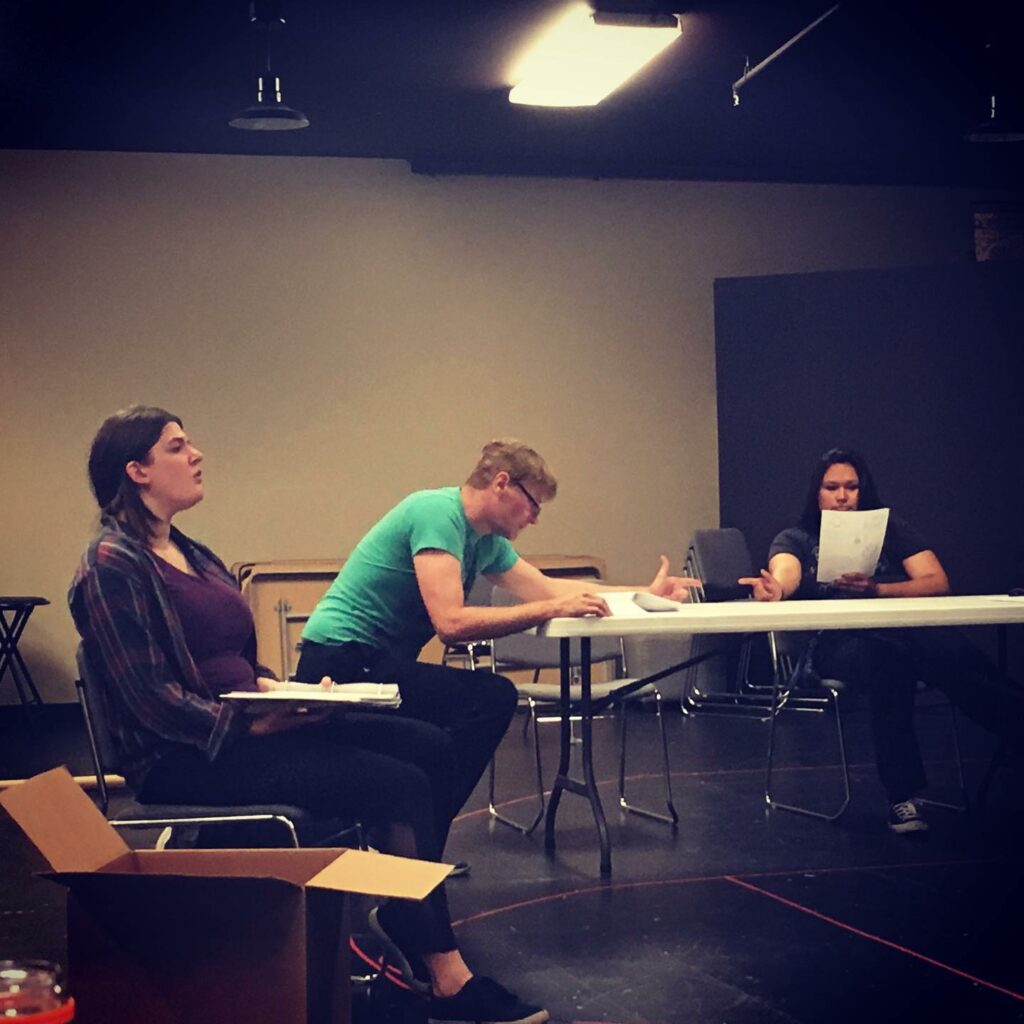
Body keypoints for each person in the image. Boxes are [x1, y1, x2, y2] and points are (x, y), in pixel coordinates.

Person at [68, 406, 549, 1024]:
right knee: (397, 782)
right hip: (187, 756)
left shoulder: (193, 552)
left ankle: (408, 887)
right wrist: (251, 721)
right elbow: (148, 699)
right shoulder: (112, 563)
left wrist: (278, 690)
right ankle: (445, 975)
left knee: (427, 747)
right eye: (176, 446)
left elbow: (231, 661)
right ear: (136, 470)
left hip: (247, 724)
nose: (196, 455)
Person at [294, 438, 696, 820]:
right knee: (489, 700)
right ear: (502, 483)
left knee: (457, 724)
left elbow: (550, 587)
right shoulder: (437, 513)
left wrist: (644, 591)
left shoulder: (485, 541)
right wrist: (548, 610)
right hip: (339, 662)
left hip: (371, 662)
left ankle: (418, 834)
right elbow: (451, 624)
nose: (535, 518)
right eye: (533, 504)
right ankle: (420, 834)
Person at [741, 447, 1024, 834]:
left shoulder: (889, 529)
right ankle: (901, 796)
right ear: (817, 493)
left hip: (904, 633)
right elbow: (785, 572)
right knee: (890, 657)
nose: (843, 496)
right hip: (837, 646)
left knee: (947, 649)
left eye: (852, 487)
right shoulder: (798, 537)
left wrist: (877, 590)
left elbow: (936, 581)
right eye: (832, 487)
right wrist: (777, 589)